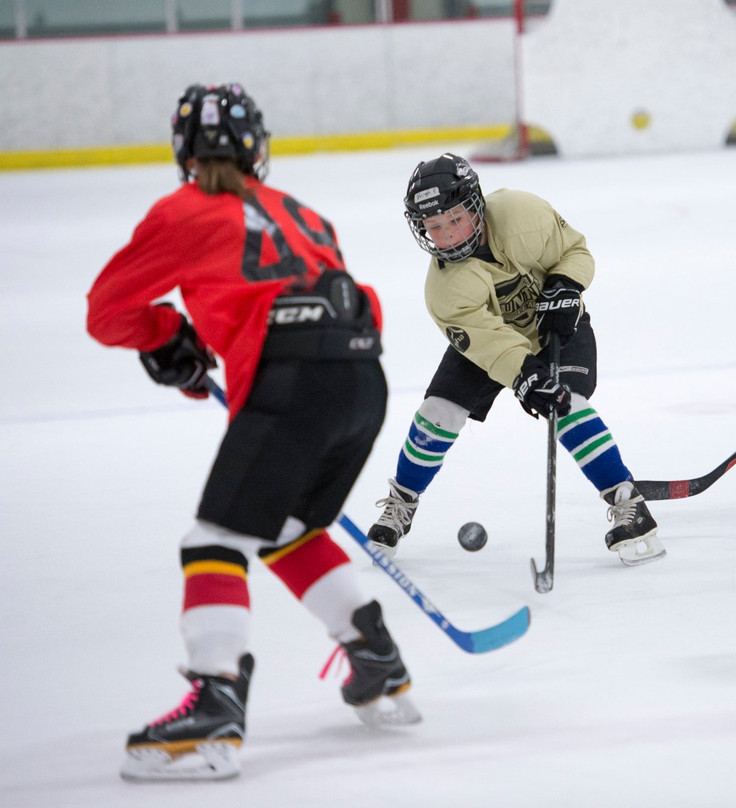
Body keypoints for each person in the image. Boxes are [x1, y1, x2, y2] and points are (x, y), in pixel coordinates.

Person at [86, 83, 417, 781]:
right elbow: (355, 303)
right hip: (365, 381)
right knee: (290, 528)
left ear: (183, 151)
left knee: (213, 540)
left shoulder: (180, 212)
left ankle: (215, 704)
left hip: (293, 384)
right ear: (257, 147)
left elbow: (107, 311)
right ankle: (376, 659)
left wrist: (166, 334)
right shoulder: (305, 213)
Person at [367, 153, 665, 567]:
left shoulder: (522, 213)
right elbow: (492, 346)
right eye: (434, 227)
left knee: (568, 407)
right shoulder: (444, 290)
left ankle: (627, 501)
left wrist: (566, 284)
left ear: (475, 206)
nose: (446, 236)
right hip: (496, 343)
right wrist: (524, 375)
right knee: (438, 412)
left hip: (554, 326)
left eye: (454, 219)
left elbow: (576, 251)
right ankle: (401, 503)